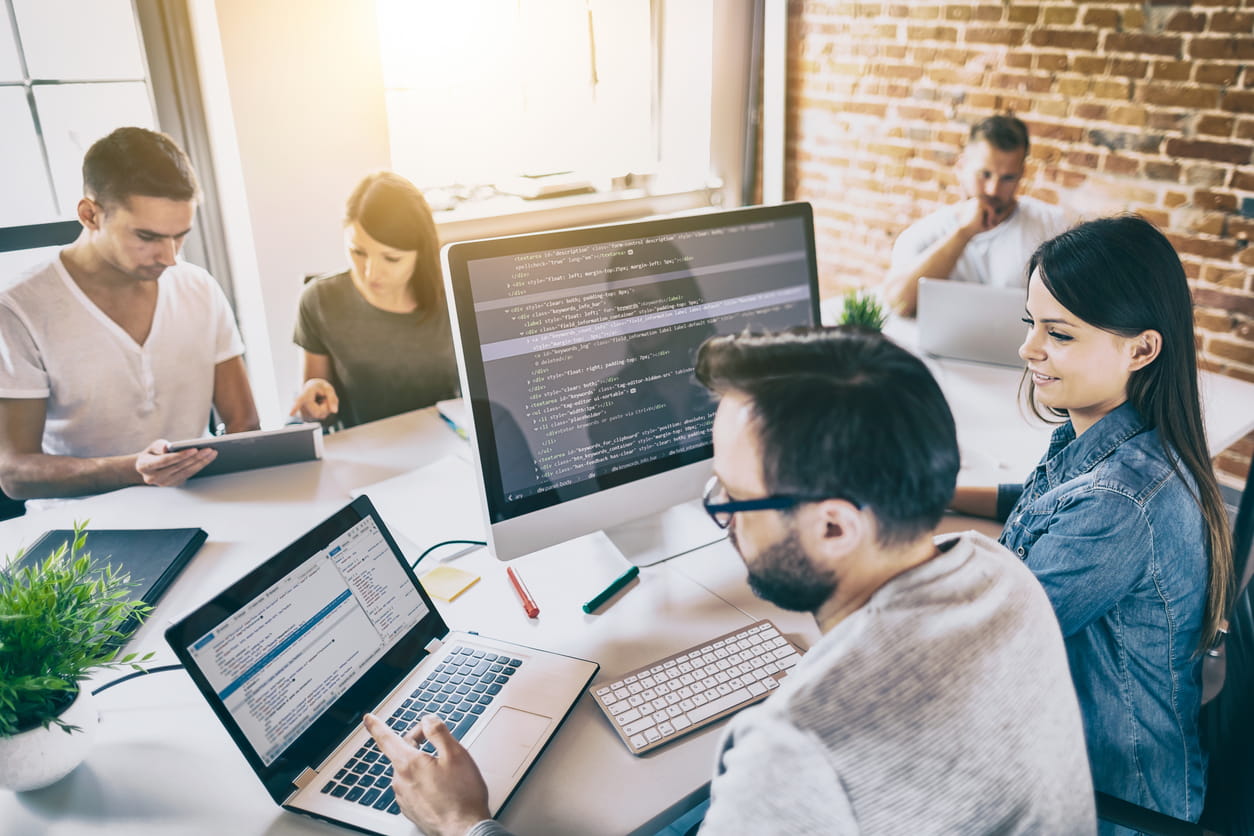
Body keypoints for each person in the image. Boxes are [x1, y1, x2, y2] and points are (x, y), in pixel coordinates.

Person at [362, 327, 1096, 835]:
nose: (721, 518)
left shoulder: (792, 750)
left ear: (836, 527)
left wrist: (463, 821)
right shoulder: (1004, 577)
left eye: (732, 500)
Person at [951, 215, 1234, 829]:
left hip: (1113, 805)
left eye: (1060, 334)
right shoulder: (1125, 442)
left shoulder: (1121, 504)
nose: (1029, 349)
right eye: (1032, 324)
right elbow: (1042, 499)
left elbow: (980, 648)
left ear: (1141, 348)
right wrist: (934, 492)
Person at [0, 127, 259, 501]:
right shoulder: (19, 309)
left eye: (180, 235)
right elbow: (14, 473)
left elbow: (244, 422)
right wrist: (134, 470)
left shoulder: (198, 287)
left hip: (201, 505)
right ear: (90, 215)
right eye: (148, 237)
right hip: (83, 534)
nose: (170, 257)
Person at [289, 172, 459, 428]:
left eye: (391, 259)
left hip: (449, 444)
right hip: (364, 453)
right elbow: (317, 415)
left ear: (420, 253)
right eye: (358, 252)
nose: (370, 273)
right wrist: (313, 402)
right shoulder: (320, 300)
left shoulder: (455, 295)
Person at [884, 114, 1066, 317]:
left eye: (1008, 178)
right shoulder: (923, 233)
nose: (993, 190)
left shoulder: (1052, 224)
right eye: (984, 174)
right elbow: (898, 304)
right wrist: (964, 233)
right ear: (961, 167)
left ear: (1021, 173)